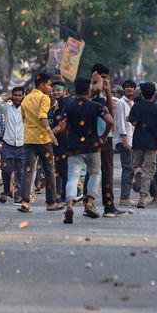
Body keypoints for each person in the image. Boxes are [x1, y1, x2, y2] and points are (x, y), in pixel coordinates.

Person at [58, 77, 113, 223]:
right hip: (93, 146)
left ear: (74, 89)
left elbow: (62, 128)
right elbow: (110, 121)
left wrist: (69, 136)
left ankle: (69, 204)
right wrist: (104, 136)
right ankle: (89, 202)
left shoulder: (68, 107)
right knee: (95, 173)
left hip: (74, 147)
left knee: (73, 176)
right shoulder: (96, 106)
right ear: (88, 89)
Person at [17, 73, 61, 213]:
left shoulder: (26, 99)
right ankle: (51, 203)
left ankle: (24, 201)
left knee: (28, 170)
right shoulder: (44, 98)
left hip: (29, 140)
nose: (50, 88)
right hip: (43, 140)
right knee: (49, 171)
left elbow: (24, 119)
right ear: (42, 85)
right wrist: (51, 133)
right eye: (48, 85)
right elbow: (43, 117)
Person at [89, 64, 125, 217]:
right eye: (100, 78)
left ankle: (108, 206)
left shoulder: (105, 98)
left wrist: (108, 91)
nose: (103, 82)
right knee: (93, 172)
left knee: (107, 172)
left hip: (106, 139)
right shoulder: (88, 96)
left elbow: (112, 113)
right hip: (93, 139)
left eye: (106, 78)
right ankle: (89, 204)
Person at [128, 82, 157, 209]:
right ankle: (142, 198)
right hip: (153, 144)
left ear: (142, 93)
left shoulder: (137, 107)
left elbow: (133, 122)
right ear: (153, 94)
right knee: (149, 172)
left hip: (138, 142)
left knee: (136, 166)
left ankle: (138, 172)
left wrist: (131, 119)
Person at [0, 87, 26, 204]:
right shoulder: (7, 108)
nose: (17, 97)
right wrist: (9, 97)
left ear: (23, 96)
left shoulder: (26, 109)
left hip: (22, 144)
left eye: (19, 95)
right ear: (12, 96)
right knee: (6, 170)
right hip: (8, 144)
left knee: (20, 172)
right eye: (15, 95)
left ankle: (18, 196)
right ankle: (6, 190)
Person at [50, 81, 73, 205]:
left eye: (58, 89)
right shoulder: (58, 103)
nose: (55, 92)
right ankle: (64, 194)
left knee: (64, 170)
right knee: (61, 169)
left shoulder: (67, 103)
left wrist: (48, 136)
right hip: (59, 142)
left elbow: (60, 127)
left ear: (65, 90)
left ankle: (66, 195)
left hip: (64, 142)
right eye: (53, 90)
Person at [115, 79, 136, 206]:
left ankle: (126, 195)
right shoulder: (121, 103)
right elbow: (120, 123)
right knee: (127, 169)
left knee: (131, 169)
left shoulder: (132, 103)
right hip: (124, 140)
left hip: (132, 140)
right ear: (124, 89)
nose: (129, 89)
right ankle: (124, 197)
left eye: (131, 87)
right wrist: (124, 139)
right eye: (127, 87)